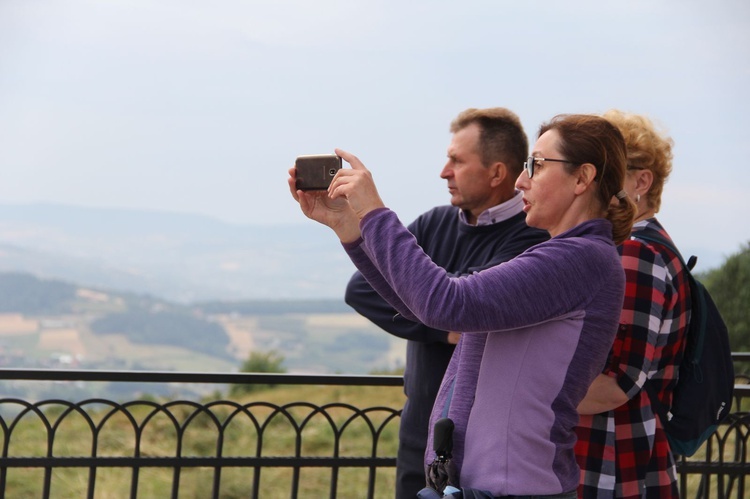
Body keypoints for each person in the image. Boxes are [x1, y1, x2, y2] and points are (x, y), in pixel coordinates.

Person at [288, 113, 637, 497]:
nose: (522, 180)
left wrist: (374, 212)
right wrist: (348, 226)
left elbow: (447, 303)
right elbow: (419, 305)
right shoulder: (568, 255)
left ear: (582, 178)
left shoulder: (580, 260)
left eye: (536, 166)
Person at [344, 107, 549, 498]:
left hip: (483, 444)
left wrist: (443, 305)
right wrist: (443, 323)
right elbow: (361, 290)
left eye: (456, 160)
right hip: (417, 428)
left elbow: (466, 307)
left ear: (497, 173)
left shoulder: (530, 239)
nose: (444, 171)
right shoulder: (434, 223)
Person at [575, 110, 690, 498]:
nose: (593, 181)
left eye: (609, 170)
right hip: (617, 458)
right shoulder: (633, 248)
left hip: (610, 462)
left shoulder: (635, 253)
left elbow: (614, 384)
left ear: (641, 182)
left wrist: (526, 393)